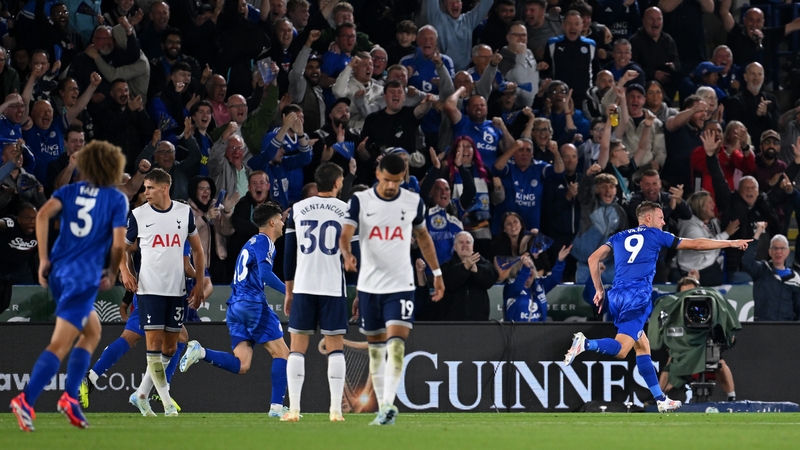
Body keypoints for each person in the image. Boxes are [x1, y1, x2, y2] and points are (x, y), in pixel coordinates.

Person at [563, 201, 751, 412]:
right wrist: (730, 244)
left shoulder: (619, 237)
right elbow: (697, 245)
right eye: (661, 218)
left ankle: (660, 399)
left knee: (642, 346)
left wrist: (599, 289)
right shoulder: (655, 235)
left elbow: (592, 258)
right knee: (622, 350)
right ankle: (585, 344)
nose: (663, 222)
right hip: (637, 296)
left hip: (617, 295)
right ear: (649, 218)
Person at [10, 141, 128, 431]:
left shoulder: (70, 191)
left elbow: (41, 214)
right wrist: (112, 272)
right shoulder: (116, 199)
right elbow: (117, 244)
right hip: (83, 278)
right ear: (113, 167)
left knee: (92, 331)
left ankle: (70, 398)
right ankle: (26, 399)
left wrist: (42, 260)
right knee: (60, 344)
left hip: (60, 273)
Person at [338, 153, 444, 425]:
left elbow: (423, 238)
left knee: (396, 342)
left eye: (396, 182)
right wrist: (346, 252)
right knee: (375, 348)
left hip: (401, 284)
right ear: (377, 174)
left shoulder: (412, 202)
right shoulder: (360, 201)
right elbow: (346, 233)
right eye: (386, 180)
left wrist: (437, 272)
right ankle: (382, 405)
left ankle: (387, 406)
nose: (390, 186)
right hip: (370, 285)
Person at [179, 202, 290, 418]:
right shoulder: (265, 241)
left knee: (242, 365)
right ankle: (277, 408)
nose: (283, 223)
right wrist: (289, 292)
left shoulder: (251, 242)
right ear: (272, 221)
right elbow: (266, 274)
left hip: (235, 307)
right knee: (283, 353)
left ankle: (200, 351)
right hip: (252, 304)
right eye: (281, 218)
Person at [123, 168, 205, 417]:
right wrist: (125, 272)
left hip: (176, 290)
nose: (145, 192)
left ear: (164, 188)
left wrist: (200, 283)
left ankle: (140, 395)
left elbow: (198, 251)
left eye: (149, 188)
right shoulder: (138, 215)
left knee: (170, 348)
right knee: (154, 346)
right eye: (144, 188)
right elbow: (122, 249)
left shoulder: (184, 212)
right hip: (149, 290)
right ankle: (168, 403)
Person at [280, 163, 352, 422]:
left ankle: (295, 410)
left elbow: (289, 255)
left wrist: (289, 292)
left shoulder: (298, 210)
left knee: (297, 349)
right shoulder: (347, 210)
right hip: (333, 287)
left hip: (304, 286)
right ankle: (335, 411)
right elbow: (356, 255)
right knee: (335, 348)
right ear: (336, 183)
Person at [743, 222, 800, 321]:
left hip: (786, 329)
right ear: (770, 252)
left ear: (788, 252)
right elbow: (746, 260)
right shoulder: (761, 270)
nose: (778, 251)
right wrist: (757, 233)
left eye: (782, 248)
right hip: (763, 327)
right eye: (775, 248)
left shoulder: (795, 277)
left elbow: (798, 308)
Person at [436, 231, 497, 321]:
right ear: (455, 247)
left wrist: (477, 271)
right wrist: (464, 268)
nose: (465, 245)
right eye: (461, 242)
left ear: (472, 247)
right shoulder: (446, 266)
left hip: (479, 320)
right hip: (451, 321)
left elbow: (492, 278)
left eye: (468, 242)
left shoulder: (483, 263)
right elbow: (448, 283)